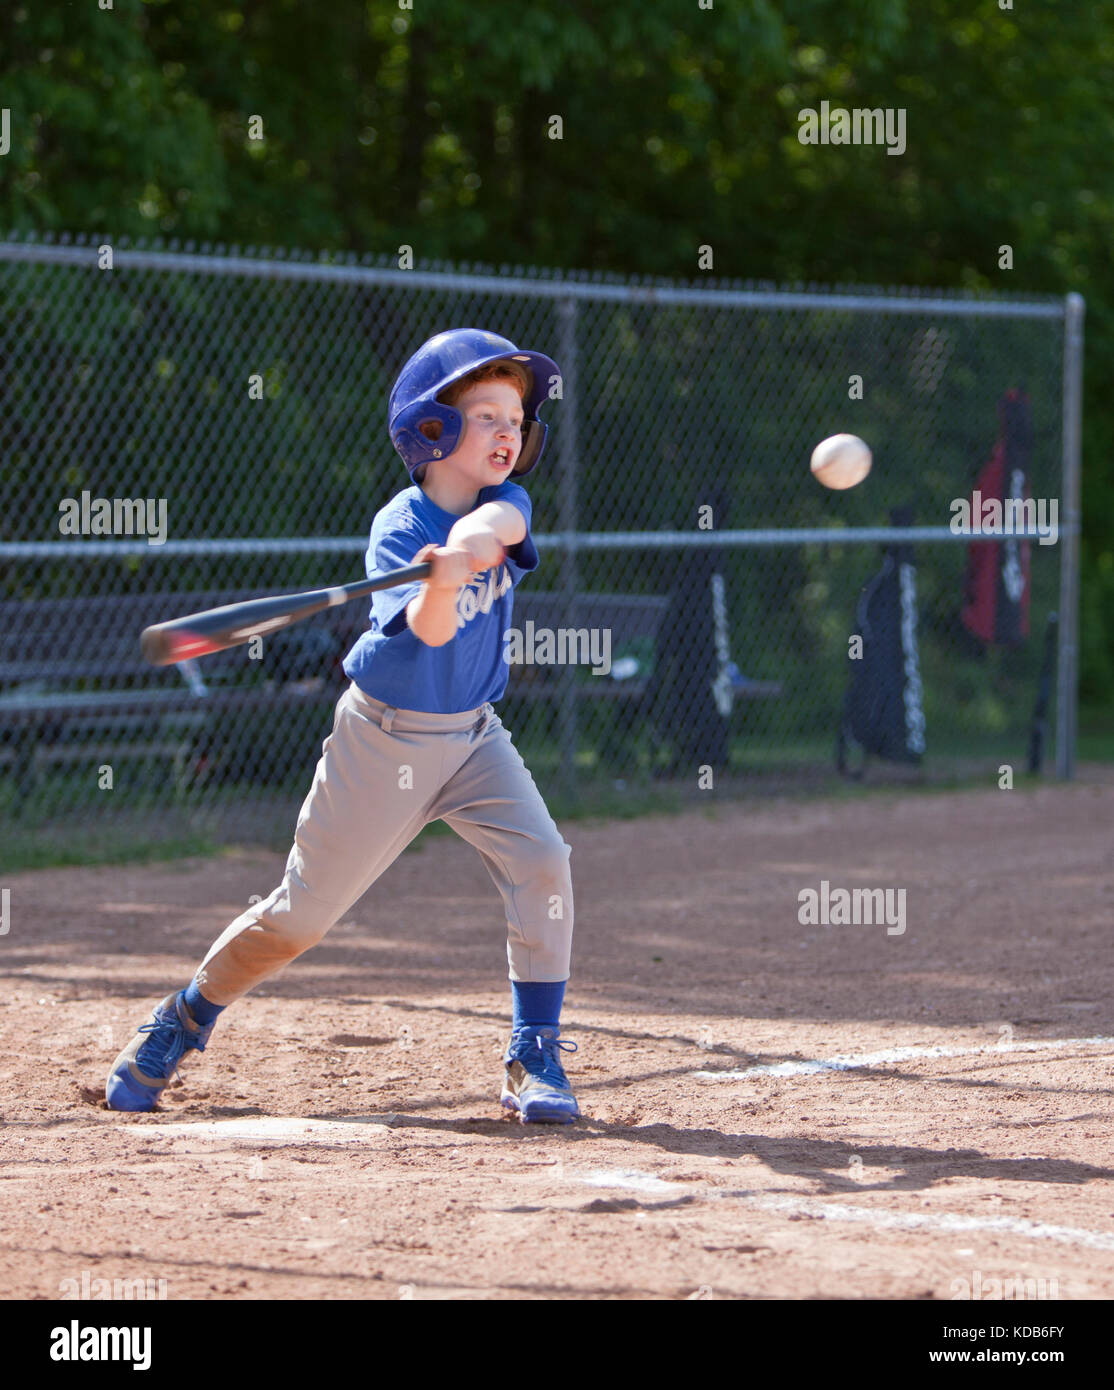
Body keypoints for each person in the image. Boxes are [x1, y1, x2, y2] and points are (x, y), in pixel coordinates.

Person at [105, 329, 579, 1124]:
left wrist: (465, 547)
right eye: (487, 413)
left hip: (472, 737)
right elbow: (428, 632)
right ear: (432, 429)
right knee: (301, 917)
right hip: (383, 740)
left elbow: (499, 531)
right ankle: (185, 1015)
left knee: (544, 862)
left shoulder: (508, 504)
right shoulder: (398, 530)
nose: (507, 430)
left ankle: (535, 1053)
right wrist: (439, 579)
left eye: (515, 417)